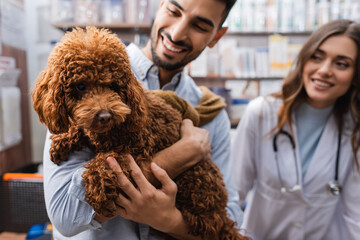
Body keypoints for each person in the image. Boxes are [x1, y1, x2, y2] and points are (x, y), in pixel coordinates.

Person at [43, 0, 243, 239]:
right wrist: (180, 155)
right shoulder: (79, 75)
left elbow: (229, 218)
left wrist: (169, 221)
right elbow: (65, 216)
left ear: (216, 36)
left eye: (199, 26)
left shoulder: (211, 111)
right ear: (159, 5)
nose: (177, 33)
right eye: (174, 11)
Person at [232, 19, 360, 240]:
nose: (324, 70)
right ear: (304, 59)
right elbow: (232, 195)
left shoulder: (354, 129)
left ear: (355, 75)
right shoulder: (261, 113)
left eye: (341, 64)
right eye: (317, 57)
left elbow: (355, 213)